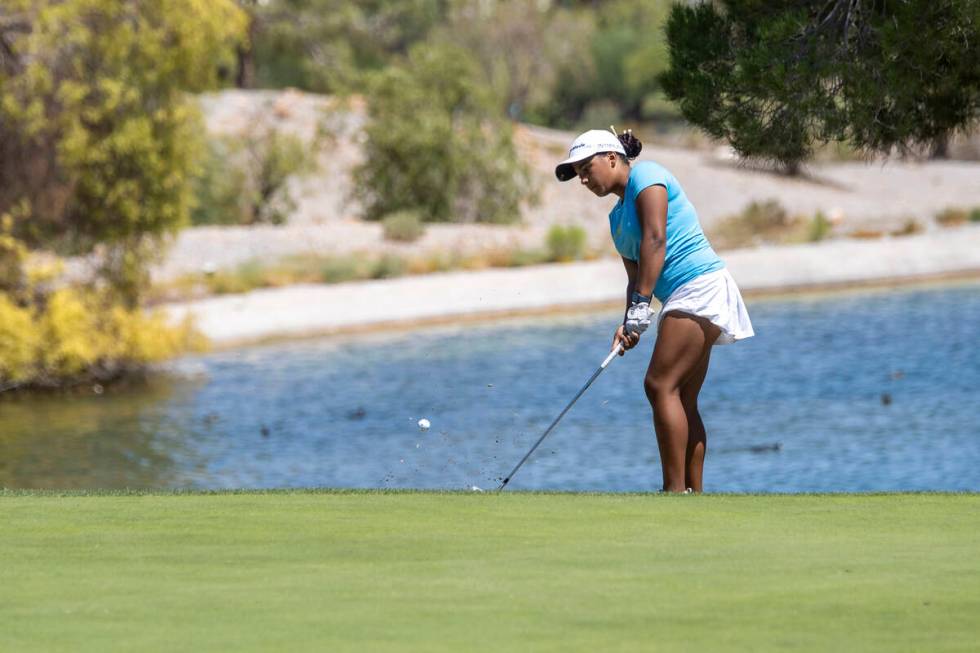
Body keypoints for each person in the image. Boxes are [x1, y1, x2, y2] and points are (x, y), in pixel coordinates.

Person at [555, 128, 754, 493]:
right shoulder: (616, 221)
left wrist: (642, 307)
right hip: (686, 295)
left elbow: (655, 239)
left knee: (659, 385)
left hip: (700, 286)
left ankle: (673, 493)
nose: (583, 179)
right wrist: (629, 319)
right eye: (578, 174)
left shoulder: (647, 177)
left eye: (586, 168)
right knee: (680, 395)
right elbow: (636, 277)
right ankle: (693, 495)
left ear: (612, 158)